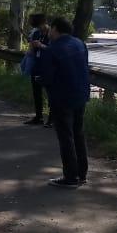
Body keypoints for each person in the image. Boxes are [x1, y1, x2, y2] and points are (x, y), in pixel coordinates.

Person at [33, 17, 90, 189]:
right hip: (81, 94)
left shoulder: (52, 49)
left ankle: (70, 177)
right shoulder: (80, 44)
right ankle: (82, 174)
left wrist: (40, 80)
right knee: (78, 134)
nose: (49, 32)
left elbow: (47, 77)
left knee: (66, 137)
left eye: (51, 29)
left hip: (62, 97)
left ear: (56, 29)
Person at [23, 13, 52, 127]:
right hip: (37, 65)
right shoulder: (36, 33)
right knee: (36, 92)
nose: (38, 28)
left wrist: (41, 45)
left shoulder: (51, 33)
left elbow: (54, 50)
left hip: (48, 66)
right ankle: (38, 116)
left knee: (50, 93)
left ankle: (52, 118)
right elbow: (31, 51)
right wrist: (32, 45)